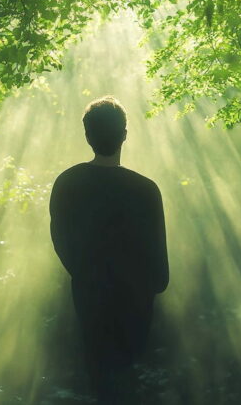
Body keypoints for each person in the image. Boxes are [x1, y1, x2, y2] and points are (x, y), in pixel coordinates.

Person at [49, 95, 169, 401]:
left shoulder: (68, 183)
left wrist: (87, 276)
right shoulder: (145, 190)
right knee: (129, 382)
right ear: (125, 134)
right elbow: (159, 268)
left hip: (90, 299)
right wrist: (146, 287)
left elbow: (61, 240)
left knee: (99, 380)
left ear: (87, 135)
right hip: (136, 306)